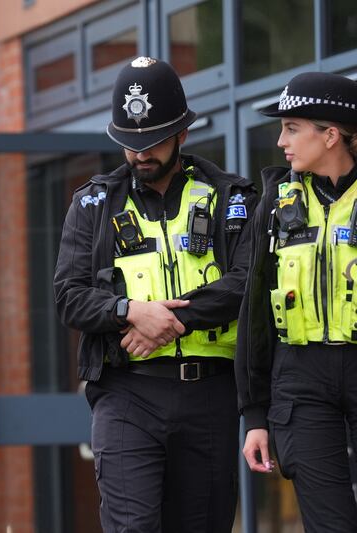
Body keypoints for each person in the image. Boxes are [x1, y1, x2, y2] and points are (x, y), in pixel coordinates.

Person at [53, 57, 257, 532]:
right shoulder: (92, 204)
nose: (140, 155)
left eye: (152, 143)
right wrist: (130, 311)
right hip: (127, 393)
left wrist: (171, 321)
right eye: (129, 144)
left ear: (182, 134)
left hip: (210, 392)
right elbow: (68, 295)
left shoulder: (231, 197)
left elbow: (247, 280)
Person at [237, 71, 357, 532]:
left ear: (331, 135)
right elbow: (256, 315)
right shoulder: (275, 204)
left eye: (292, 127)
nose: (281, 140)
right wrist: (255, 415)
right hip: (300, 381)